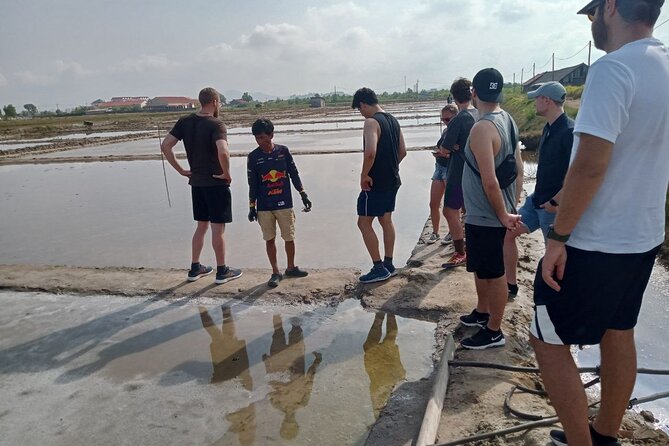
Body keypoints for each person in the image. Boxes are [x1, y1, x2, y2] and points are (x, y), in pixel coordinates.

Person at [530, 1, 669, 445]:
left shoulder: (613, 69)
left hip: (595, 242)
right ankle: (605, 435)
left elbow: (590, 164)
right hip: (643, 236)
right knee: (619, 329)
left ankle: (580, 443)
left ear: (611, 7)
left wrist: (558, 239)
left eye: (592, 13)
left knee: (547, 340)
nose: (591, 22)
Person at [459, 68, 523, 350]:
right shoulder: (506, 119)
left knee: (495, 274)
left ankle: (494, 331)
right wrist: (513, 203)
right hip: (488, 212)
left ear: (474, 92)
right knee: (482, 269)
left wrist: (501, 214)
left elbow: (490, 181)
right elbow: (518, 167)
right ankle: (482, 312)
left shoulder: (482, 128)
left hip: (488, 215)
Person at [160, 87, 242, 284]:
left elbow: (165, 145)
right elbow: (223, 151)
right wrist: (227, 173)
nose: (219, 105)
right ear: (214, 102)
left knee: (201, 226)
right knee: (218, 228)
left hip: (197, 183)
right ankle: (222, 271)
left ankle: (195, 268)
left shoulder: (185, 122)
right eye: (219, 102)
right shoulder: (216, 124)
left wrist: (180, 169)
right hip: (215, 182)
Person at [503, 82, 574, 298]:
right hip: (537, 201)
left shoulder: (569, 132)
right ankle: (510, 284)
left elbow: (577, 175)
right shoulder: (548, 128)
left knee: (555, 253)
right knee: (507, 232)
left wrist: (556, 202)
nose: (534, 102)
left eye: (537, 98)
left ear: (547, 100)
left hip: (554, 208)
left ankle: (559, 298)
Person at [247, 118, 312, 288]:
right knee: (270, 239)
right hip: (264, 207)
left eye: (263, 137)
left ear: (271, 135)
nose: (261, 141)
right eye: (257, 138)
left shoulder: (283, 152)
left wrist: (303, 194)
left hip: (284, 204)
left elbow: (294, 173)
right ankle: (275, 272)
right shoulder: (253, 157)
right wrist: (251, 207)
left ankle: (290, 267)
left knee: (289, 237)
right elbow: (252, 183)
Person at [352, 87, 407, 283]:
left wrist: (364, 174)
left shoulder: (371, 122)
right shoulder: (393, 120)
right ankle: (389, 263)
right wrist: (390, 167)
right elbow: (402, 151)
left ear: (363, 104)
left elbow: (370, 153)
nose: (362, 114)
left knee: (363, 222)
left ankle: (378, 268)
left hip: (375, 182)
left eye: (360, 110)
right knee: (386, 220)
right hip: (393, 180)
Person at [439, 78, 479, 267]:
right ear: (471, 94)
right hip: (476, 169)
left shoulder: (459, 119)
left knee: (450, 210)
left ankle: (460, 251)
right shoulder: (479, 115)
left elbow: (445, 149)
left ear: (454, 97)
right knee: (469, 210)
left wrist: (452, 147)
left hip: (459, 171)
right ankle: (471, 248)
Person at [426, 104, 458, 244]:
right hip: (439, 167)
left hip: (449, 168)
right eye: (443, 119)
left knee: (450, 205)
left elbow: (457, 151)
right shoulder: (446, 131)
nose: (445, 122)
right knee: (433, 203)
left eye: (448, 119)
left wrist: (446, 153)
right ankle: (435, 232)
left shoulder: (458, 131)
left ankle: (453, 232)